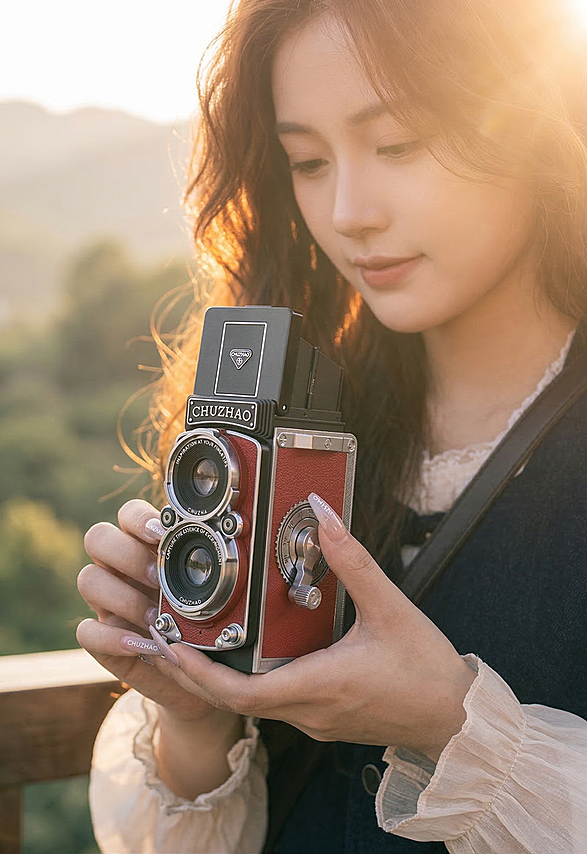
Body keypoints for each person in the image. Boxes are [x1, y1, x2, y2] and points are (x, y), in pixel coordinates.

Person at [76, 0, 587, 850]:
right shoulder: (280, 431)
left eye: (398, 144)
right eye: (306, 161)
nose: (349, 210)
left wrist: (449, 724)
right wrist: (196, 718)